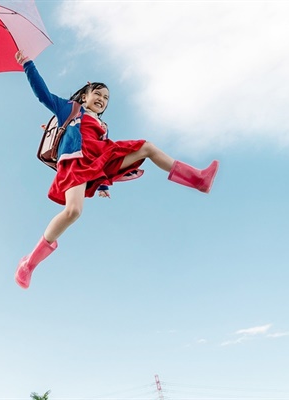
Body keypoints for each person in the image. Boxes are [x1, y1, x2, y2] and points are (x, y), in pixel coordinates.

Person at [14, 50, 219, 289]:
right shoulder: (69, 110)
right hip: (77, 162)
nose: (102, 99)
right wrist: (27, 64)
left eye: (106, 98)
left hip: (101, 159)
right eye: (97, 94)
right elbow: (42, 94)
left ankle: (198, 179)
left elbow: (103, 153)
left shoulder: (103, 125)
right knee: (73, 212)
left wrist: (101, 184)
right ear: (85, 96)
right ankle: (29, 263)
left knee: (147, 147)